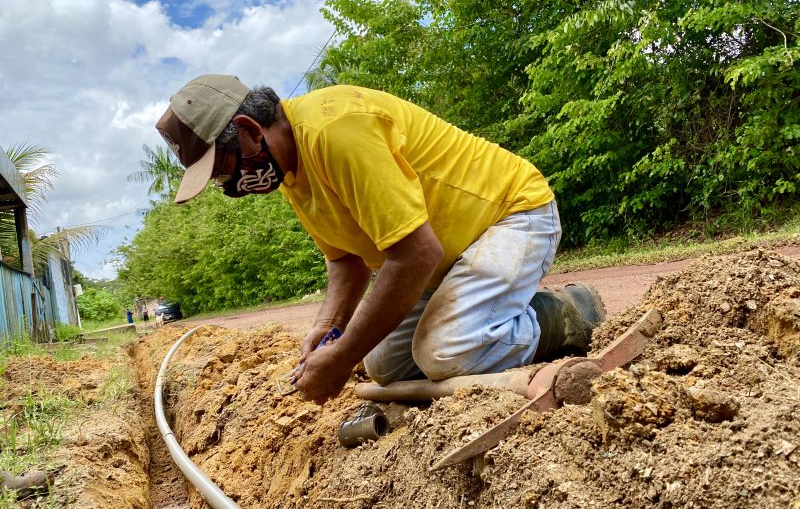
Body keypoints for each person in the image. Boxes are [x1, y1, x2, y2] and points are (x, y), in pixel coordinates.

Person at [156, 75, 597, 405]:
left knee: (447, 353)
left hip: (509, 215)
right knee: (384, 365)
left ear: (251, 130)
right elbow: (345, 261)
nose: (230, 186)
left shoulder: (337, 132)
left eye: (224, 169)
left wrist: (341, 357)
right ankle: (492, 318)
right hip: (445, 260)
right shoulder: (291, 170)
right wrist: (327, 331)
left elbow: (415, 254)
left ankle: (565, 313)